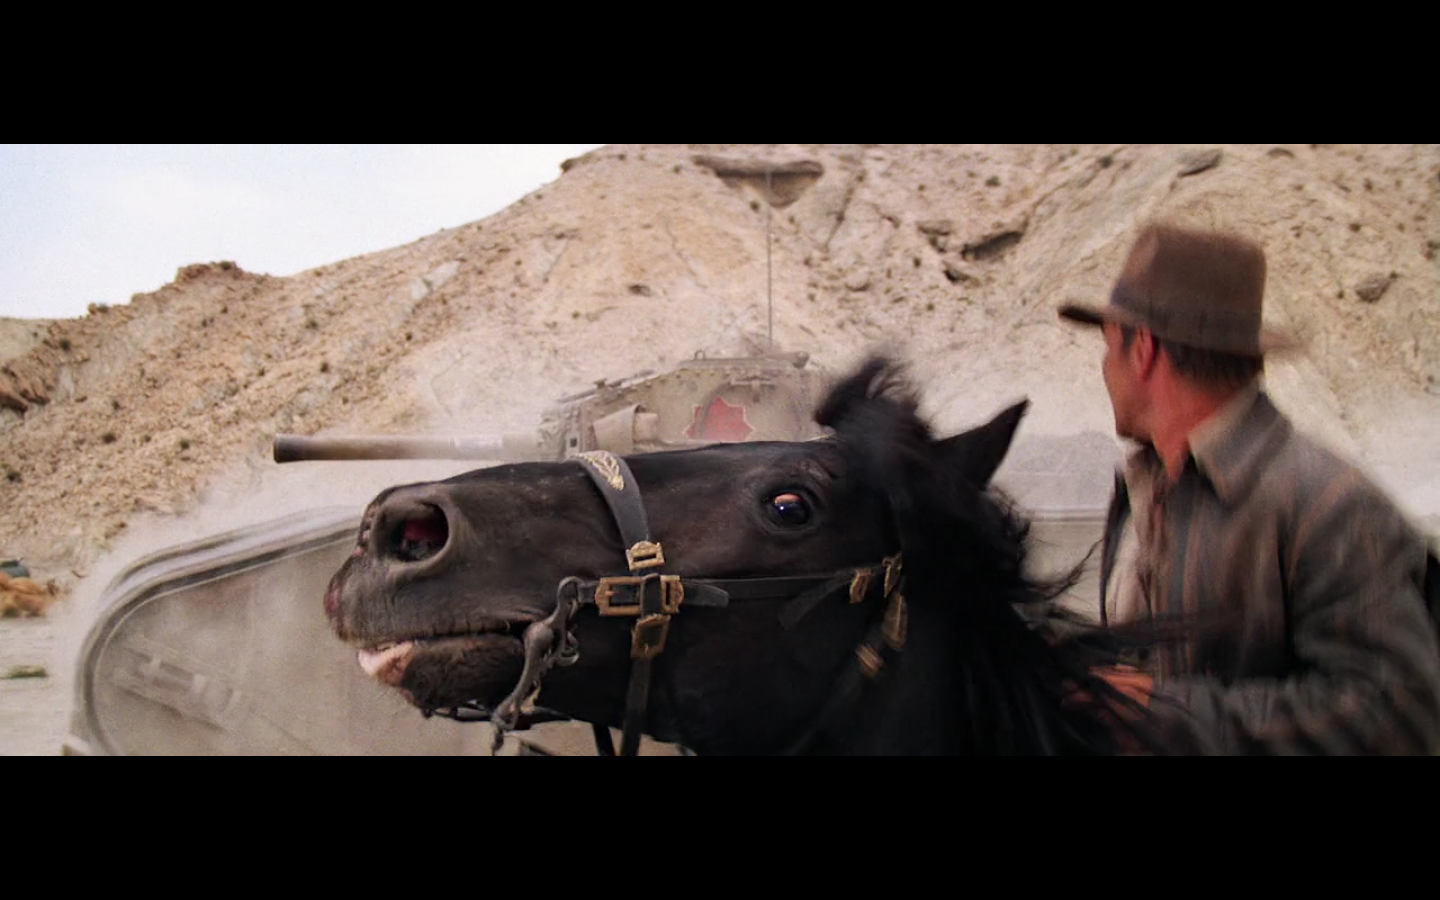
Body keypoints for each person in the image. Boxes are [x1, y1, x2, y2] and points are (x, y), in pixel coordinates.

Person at [1057, 221, 1440, 754]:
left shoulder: (1331, 507)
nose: (1104, 368)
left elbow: (1397, 717)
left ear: (1143, 349)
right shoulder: (1142, 488)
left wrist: (1162, 714)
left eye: (1108, 346)